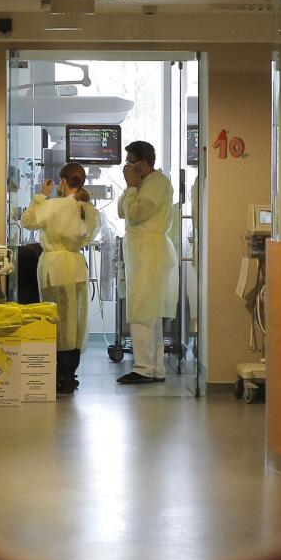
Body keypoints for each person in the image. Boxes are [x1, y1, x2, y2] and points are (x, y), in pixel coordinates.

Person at [20, 162, 101, 395]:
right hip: (76, 267)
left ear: (63, 182)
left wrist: (40, 197)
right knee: (74, 323)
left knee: (55, 321)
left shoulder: (53, 205)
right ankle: (69, 373)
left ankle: (56, 372)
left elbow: (28, 221)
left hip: (54, 268)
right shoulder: (89, 209)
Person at [115, 140, 178, 384]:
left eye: (130, 162)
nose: (127, 168)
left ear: (144, 163)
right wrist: (130, 187)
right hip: (141, 254)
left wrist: (132, 187)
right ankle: (154, 368)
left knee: (143, 309)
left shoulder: (157, 183)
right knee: (147, 310)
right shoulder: (141, 185)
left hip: (149, 254)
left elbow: (137, 213)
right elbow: (122, 211)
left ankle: (144, 367)